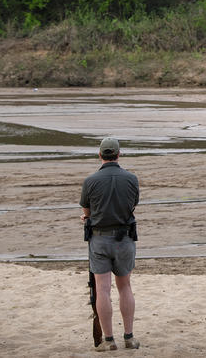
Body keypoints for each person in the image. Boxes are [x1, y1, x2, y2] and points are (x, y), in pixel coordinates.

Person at [80, 137, 141, 351]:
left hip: (99, 239)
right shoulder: (132, 179)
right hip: (124, 239)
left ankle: (108, 340)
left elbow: (87, 212)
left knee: (103, 289)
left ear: (100, 155)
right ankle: (129, 336)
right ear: (118, 154)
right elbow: (132, 205)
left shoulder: (90, 181)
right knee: (124, 287)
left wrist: (86, 218)